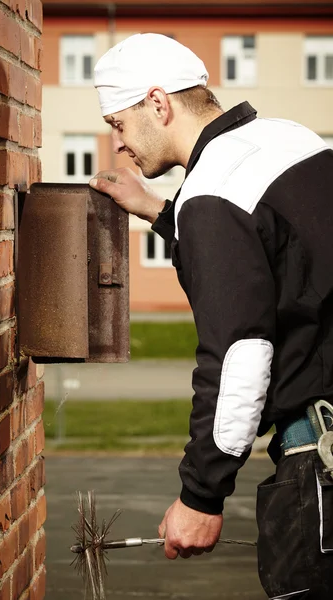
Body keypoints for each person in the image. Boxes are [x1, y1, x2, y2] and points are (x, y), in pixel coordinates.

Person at [89, 33, 333, 599]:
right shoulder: (291, 139)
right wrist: (158, 211)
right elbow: (273, 255)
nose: (118, 145)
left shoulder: (212, 197)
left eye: (118, 124)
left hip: (320, 461)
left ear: (157, 103)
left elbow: (240, 356)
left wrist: (201, 495)